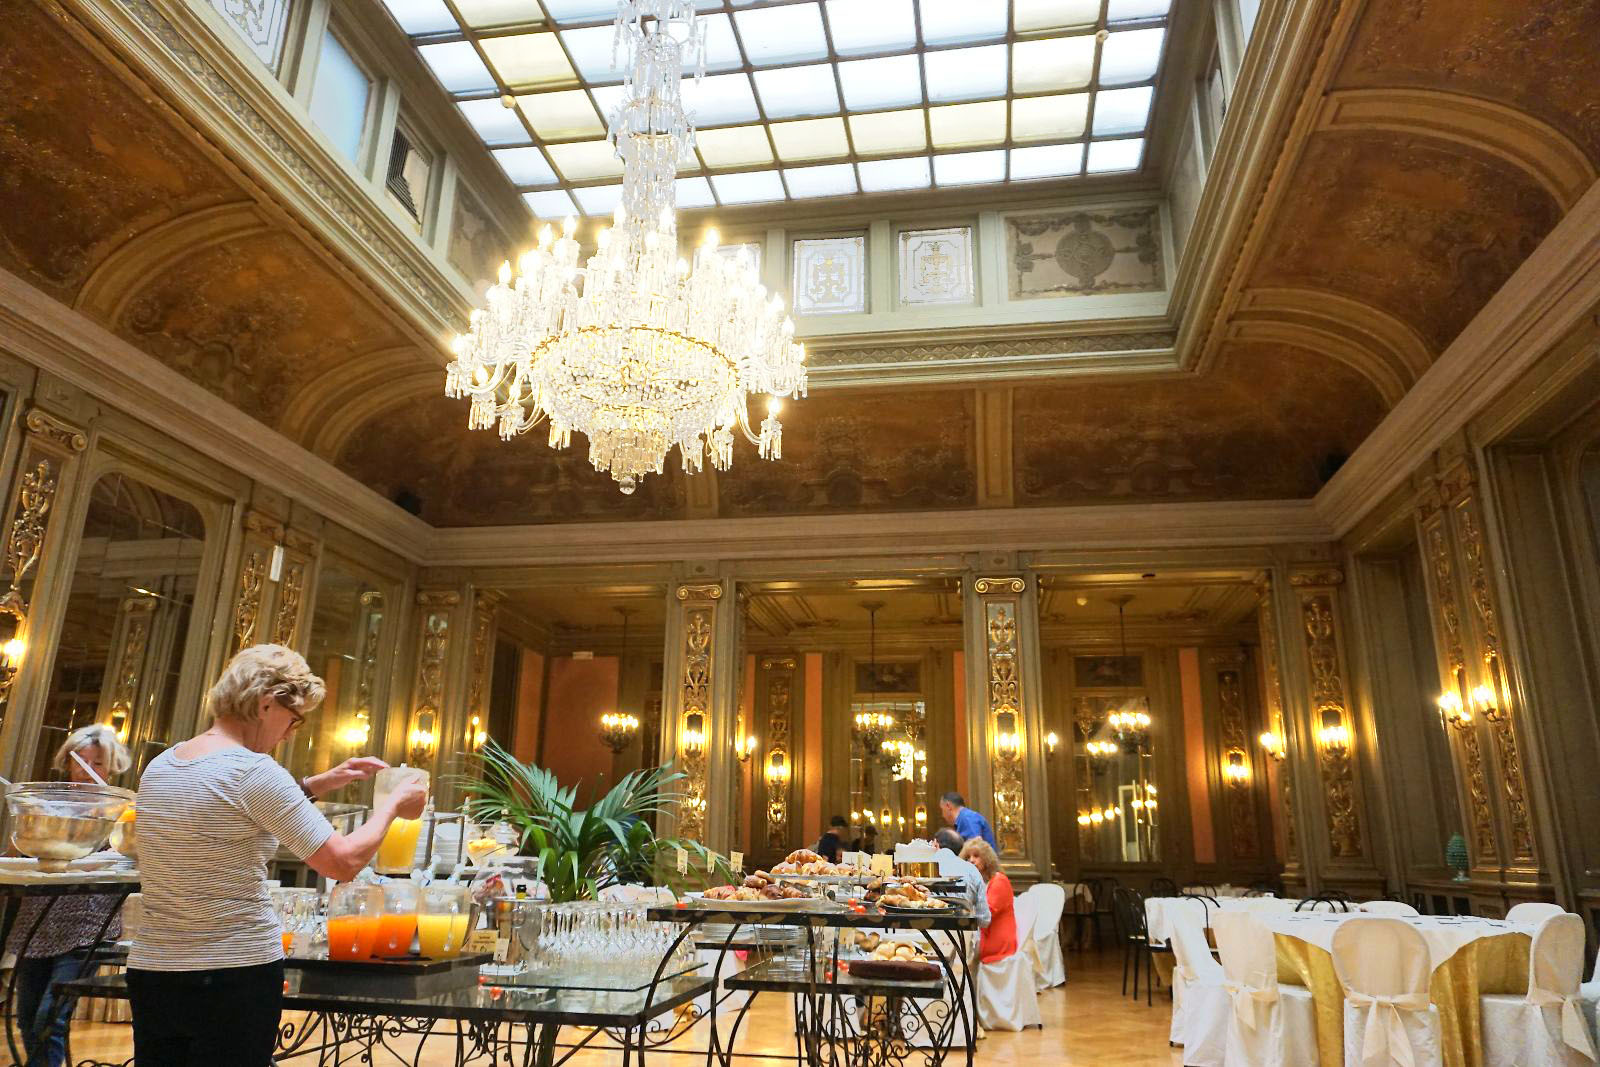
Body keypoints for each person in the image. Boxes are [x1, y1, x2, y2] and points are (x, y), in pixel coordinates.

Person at [127, 644, 429, 1065]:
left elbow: (228, 807)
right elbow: (342, 863)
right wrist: (391, 806)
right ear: (266, 703)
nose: (291, 733)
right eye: (294, 718)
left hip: (153, 970)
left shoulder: (162, 764)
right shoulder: (254, 770)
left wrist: (320, 782)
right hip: (233, 971)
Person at [5, 725, 131, 1067]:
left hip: (87, 924)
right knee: (26, 1016)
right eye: (81, 761)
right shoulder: (48, 806)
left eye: (98, 763)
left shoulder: (121, 810)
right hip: (37, 920)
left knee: (50, 1017)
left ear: (112, 767)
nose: (87, 770)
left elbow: (124, 858)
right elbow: (25, 853)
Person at [961, 838, 1016, 963]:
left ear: (987, 859)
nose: (971, 860)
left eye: (976, 856)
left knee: (957, 950)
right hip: (983, 936)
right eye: (967, 857)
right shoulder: (978, 881)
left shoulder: (999, 881)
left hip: (996, 941)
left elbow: (985, 917)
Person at [932, 827, 990, 928]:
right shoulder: (972, 870)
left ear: (935, 844)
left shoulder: (922, 867)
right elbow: (984, 919)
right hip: (963, 934)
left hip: (927, 932)